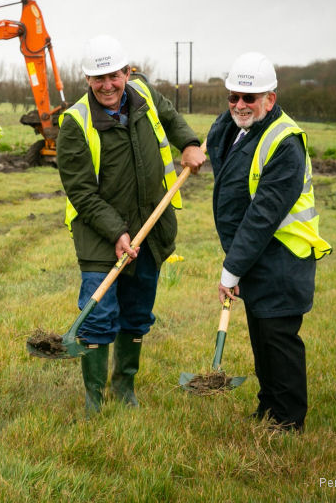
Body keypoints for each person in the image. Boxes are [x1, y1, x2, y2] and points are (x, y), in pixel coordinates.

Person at [56, 35, 205, 414]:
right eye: (97, 78)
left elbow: (171, 118)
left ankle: (124, 387)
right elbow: (82, 192)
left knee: (137, 312)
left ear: (127, 71)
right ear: (87, 79)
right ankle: (94, 398)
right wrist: (118, 232)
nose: (107, 85)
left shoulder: (145, 94)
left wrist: (188, 142)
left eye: (113, 75)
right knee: (99, 314)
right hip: (98, 231)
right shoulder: (74, 122)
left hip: (150, 225)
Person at [207, 52, 331, 432]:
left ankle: (289, 420)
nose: (240, 105)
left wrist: (231, 270)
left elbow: (262, 216)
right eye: (234, 97)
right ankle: (269, 406)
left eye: (250, 98)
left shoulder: (284, 143)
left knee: (278, 340)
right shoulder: (235, 128)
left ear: (270, 100)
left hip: (284, 256)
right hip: (256, 256)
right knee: (261, 335)